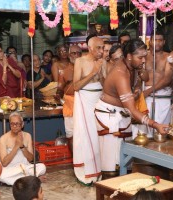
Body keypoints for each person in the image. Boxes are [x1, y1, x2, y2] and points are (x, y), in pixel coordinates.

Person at [95, 39, 168, 179]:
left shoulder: (133, 66)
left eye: (144, 57)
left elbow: (145, 78)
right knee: (112, 164)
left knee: (124, 160)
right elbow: (132, 110)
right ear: (129, 56)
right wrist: (155, 124)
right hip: (109, 115)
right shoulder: (120, 73)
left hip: (121, 114)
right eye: (140, 57)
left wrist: (140, 72)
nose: (143, 60)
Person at [72, 35, 105, 185]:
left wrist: (101, 71)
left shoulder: (102, 62)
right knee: (86, 136)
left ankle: (99, 170)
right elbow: (76, 86)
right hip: (85, 102)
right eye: (99, 48)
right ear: (90, 48)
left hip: (99, 101)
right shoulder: (80, 61)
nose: (101, 51)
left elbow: (104, 84)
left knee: (99, 137)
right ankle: (86, 173)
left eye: (103, 48)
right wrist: (93, 72)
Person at [0, 112, 46, 185]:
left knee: (42, 167)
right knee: (1, 176)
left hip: (25, 167)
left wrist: (22, 147)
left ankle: (21, 181)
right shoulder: (3, 139)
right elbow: (4, 163)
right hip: (10, 169)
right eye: (12, 124)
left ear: (22, 124)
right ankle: (31, 179)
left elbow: (31, 159)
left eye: (17, 124)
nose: (14, 126)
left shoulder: (27, 136)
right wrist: (16, 146)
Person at [143, 31, 173, 128]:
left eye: (160, 40)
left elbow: (167, 79)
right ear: (150, 41)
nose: (157, 43)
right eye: (155, 40)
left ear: (164, 42)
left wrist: (148, 91)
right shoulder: (144, 56)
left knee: (162, 129)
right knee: (144, 130)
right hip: (146, 97)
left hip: (162, 97)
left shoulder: (168, 57)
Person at [57, 45, 82, 151]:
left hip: (83, 106)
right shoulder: (64, 71)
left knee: (83, 136)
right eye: (73, 53)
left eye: (78, 53)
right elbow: (60, 89)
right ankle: (75, 162)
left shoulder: (87, 69)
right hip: (69, 106)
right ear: (68, 55)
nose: (76, 56)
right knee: (71, 137)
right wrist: (58, 95)